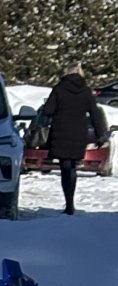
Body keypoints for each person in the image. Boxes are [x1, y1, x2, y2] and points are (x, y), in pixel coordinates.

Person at [40, 63, 109, 214]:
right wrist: (100, 134)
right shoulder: (86, 91)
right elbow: (95, 114)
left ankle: (69, 202)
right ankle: (70, 202)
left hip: (61, 132)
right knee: (72, 166)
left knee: (65, 166)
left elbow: (48, 110)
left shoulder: (59, 89)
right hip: (79, 133)